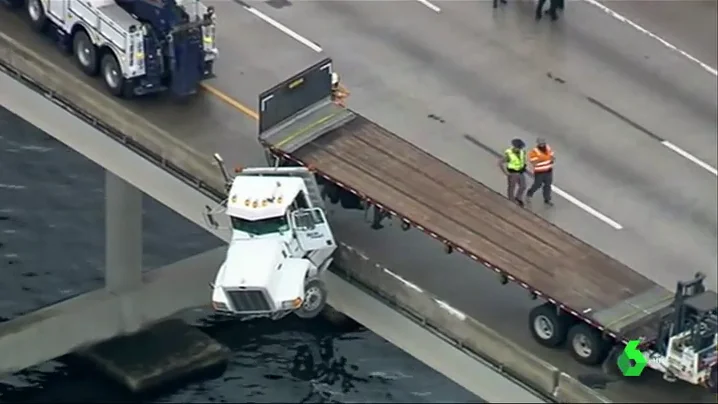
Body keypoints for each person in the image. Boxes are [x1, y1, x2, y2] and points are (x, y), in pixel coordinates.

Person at [526, 138, 555, 206]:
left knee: (548, 185)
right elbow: (534, 162)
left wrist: (551, 159)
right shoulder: (534, 152)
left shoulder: (548, 148)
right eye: (541, 144)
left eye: (543, 143)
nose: (542, 145)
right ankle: (529, 194)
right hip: (540, 172)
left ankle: (547, 199)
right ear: (538, 144)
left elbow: (552, 156)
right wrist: (544, 158)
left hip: (548, 171)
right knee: (537, 185)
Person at [499, 138, 527, 207]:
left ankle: (518, 198)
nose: (519, 149)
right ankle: (511, 200)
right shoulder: (510, 154)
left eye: (520, 147)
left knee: (523, 186)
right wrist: (506, 173)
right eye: (518, 147)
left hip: (520, 172)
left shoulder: (522, 152)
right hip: (513, 173)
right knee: (512, 187)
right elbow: (500, 163)